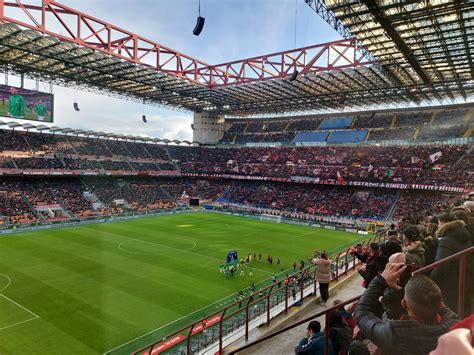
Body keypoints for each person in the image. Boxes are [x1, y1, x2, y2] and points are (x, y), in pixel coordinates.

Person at [355, 263, 459, 355]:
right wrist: (407, 292)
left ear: (404, 304)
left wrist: (380, 281)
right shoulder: (456, 324)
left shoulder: (393, 335)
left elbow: (361, 313)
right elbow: (439, 304)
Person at [431, 213, 472, 311]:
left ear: (444, 223)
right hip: (466, 280)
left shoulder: (446, 240)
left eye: (439, 223)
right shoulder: (465, 234)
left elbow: (440, 266)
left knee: (452, 313)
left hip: (451, 285)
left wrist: (432, 280)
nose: (438, 226)